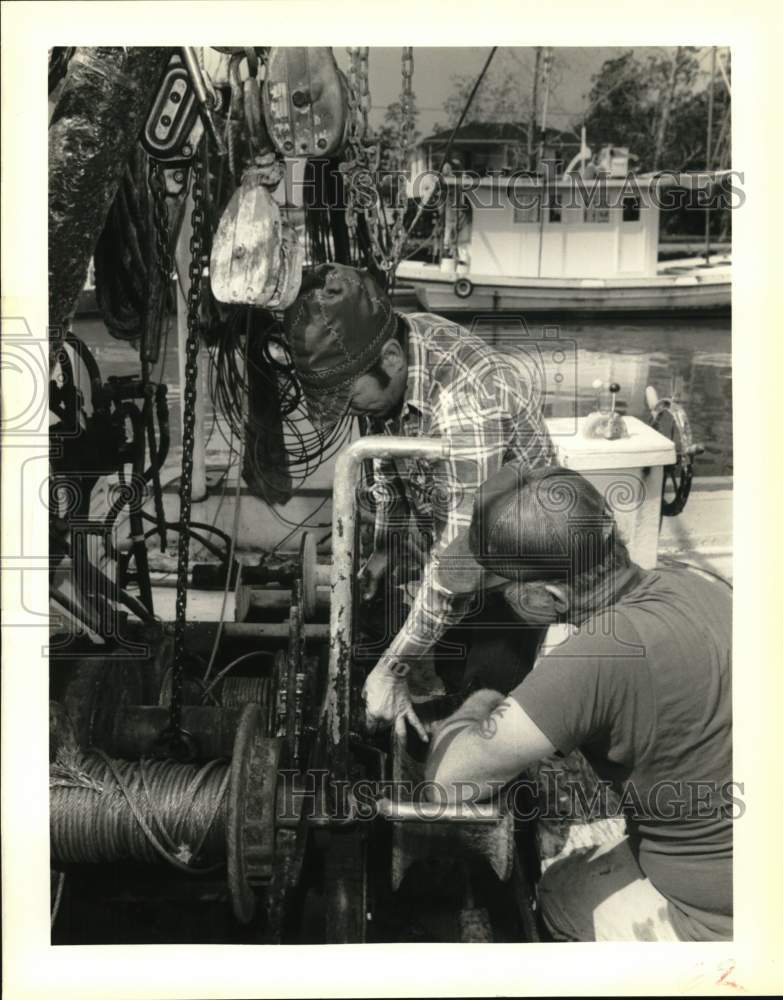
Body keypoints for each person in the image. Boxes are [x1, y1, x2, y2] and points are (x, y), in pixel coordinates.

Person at [424, 462, 733, 942]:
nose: (496, 604)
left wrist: (482, 697)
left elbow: (447, 782)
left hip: (728, 918)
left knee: (559, 894)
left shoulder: (593, 659)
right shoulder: (699, 585)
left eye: (501, 592)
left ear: (548, 595)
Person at [283, 263, 556, 738]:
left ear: (390, 358)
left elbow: (462, 556)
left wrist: (395, 669)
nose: (351, 413)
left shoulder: (470, 400)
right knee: (393, 644)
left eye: (350, 399)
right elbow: (389, 448)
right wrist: (385, 550)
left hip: (515, 566)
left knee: (480, 713)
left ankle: (486, 790)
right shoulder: (400, 348)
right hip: (453, 548)